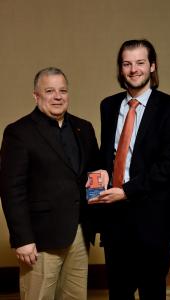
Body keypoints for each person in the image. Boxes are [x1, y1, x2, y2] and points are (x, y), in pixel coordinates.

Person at [88, 40, 170, 300]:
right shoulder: (108, 106)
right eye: (127, 63)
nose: (134, 69)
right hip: (116, 217)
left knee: (152, 290)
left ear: (152, 66)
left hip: (154, 214)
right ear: (121, 69)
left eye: (140, 62)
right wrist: (101, 170)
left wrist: (127, 191)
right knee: (119, 291)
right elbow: (108, 153)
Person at [0, 67, 101, 300]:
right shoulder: (19, 132)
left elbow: (95, 170)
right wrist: (22, 239)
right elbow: (11, 190)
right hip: (40, 239)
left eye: (63, 90)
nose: (58, 96)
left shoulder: (83, 128)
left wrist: (103, 175)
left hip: (78, 233)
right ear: (36, 96)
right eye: (50, 91)